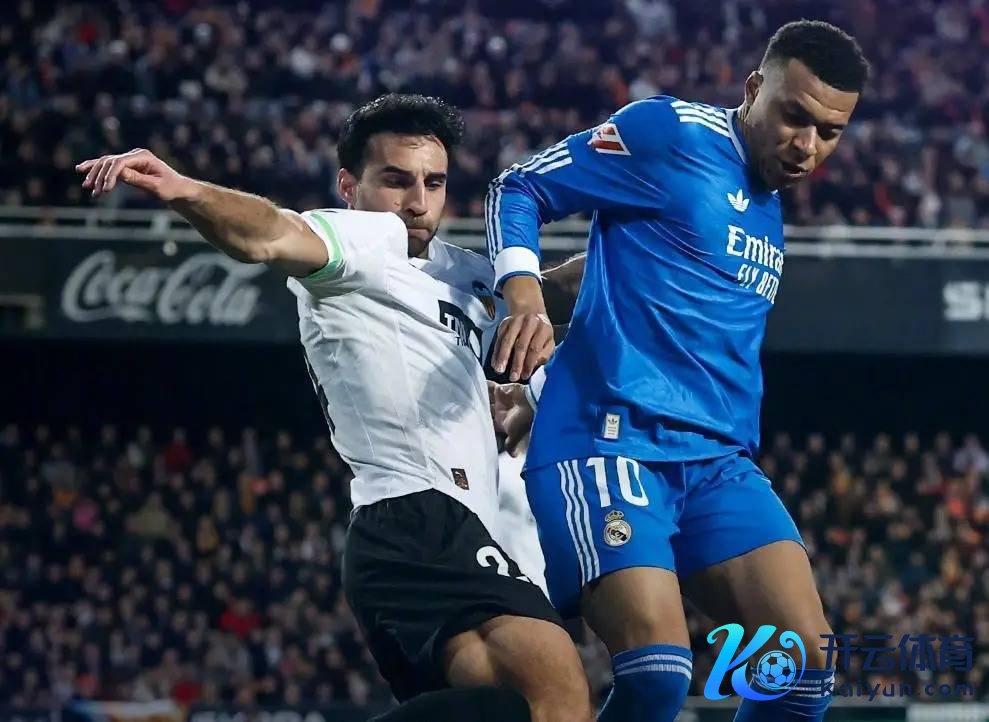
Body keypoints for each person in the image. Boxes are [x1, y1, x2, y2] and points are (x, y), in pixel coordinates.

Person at [76, 93, 593, 722]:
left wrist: (649, 246)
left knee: (512, 708)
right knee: (555, 688)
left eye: (433, 183)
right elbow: (270, 233)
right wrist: (184, 189)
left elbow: (557, 292)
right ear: (349, 186)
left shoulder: (457, 271)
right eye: (396, 180)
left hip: (429, 536)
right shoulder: (362, 240)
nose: (418, 202)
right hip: (417, 516)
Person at [485, 21, 868, 722]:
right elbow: (520, 188)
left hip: (716, 461)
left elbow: (629, 280)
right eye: (795, 116)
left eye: (830, 132)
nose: (807, 146)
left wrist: (537, 379)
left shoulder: (766, 200)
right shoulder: (670, 134)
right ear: (753, 88)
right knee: (659, 672)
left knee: (803, 668)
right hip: (609, 443)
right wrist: (522, 298)